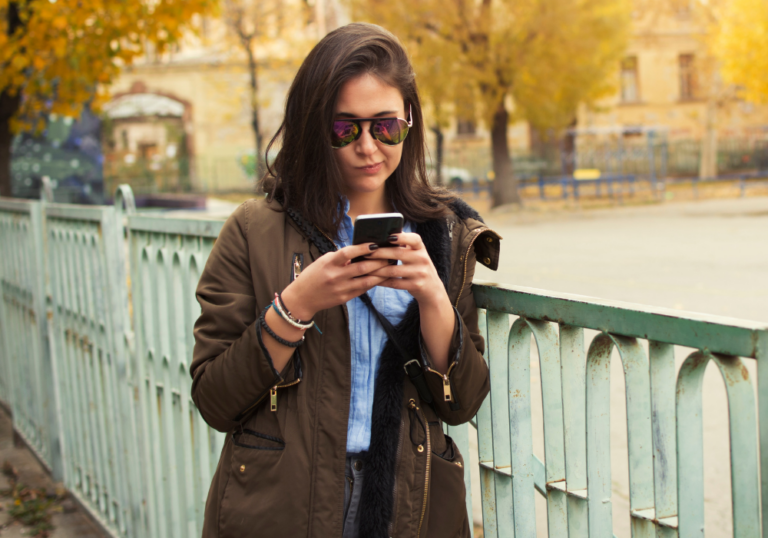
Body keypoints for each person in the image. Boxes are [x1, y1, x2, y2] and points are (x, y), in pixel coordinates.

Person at [190, 22, 500, 538]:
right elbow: (215, 401)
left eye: (386, 127)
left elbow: (461, 404)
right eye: (344, 128)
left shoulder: (443, 234)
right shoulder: (255, 229)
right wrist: (294, 308)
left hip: (409, 501)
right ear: (316, 129)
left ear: (409, 122)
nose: (368, 146)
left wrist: (432, 298)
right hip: (282, 500)